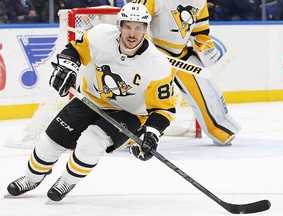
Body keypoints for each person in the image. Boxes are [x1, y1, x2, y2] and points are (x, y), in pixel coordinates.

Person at [6, 2, 176, 202]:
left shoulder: (158, 66)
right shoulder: (99, 36)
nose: (132, 33)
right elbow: (75, 50)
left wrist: (152, 134)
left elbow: (164, 109)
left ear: (145, 30)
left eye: (138, 28)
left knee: (91, 144)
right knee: (51, 141)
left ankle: (67, 181)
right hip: (90, 99)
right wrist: (67, 68)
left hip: (129, 113)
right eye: (128, 26)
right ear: (119, 26)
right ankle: (31, 178)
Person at [132, 0, 241, 145]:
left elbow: (199, 32)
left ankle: (218, 127)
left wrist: (205, 47)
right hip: (156, 52)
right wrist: (146, 50)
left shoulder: (200, 1)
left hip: (182, 53)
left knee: (206, 88)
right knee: (148, 95)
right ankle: (133, 132)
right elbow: (134, 23)